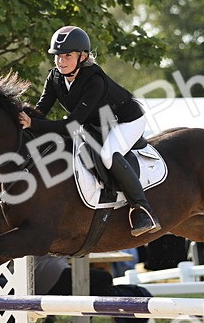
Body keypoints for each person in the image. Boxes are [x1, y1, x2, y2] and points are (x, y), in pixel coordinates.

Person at [17, 25, 160, 237]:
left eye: (67, 56)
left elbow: (71, 125)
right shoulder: (55, 77)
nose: (61, 61)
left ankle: (142, 209)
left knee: (108, 155)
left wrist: (33, 124)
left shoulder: (94, 81)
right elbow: (40, 111)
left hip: (126, 121)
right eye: (58, 56)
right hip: (95, 124)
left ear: (82, 56)